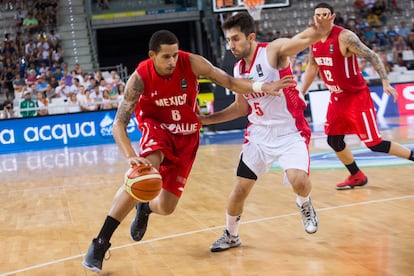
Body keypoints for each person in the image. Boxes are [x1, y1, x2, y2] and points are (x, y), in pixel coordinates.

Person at [82, 29, 287, 273]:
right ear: (152, 55)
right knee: (143, 172)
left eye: (175, 55)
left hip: (187, 136)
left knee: (167, 207)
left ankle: (145, 207)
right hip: (157, 129)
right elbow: (118, 124)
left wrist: (262, 85)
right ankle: (100, 243)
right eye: (166, 57)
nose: (172, 61)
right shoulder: (139, 77)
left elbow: (231, 83)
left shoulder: (193, 63)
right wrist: (130, 157)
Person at [197, 11, 333, 253]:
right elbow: (241, 108)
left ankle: (304, 203)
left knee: (299, 181)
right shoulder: (238, 69)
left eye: (236, 39)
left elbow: (298, 41)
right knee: (239, 190)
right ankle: (231, 235)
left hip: (289, 132)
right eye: (228, 40)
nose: (231, 45)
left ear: (251, 37)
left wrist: (318, 31)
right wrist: (208, 120)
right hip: (258, 135)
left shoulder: (273, 52)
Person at [301, 2, 414, 190]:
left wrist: (385, 81)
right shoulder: (313, 39)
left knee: (375, 143)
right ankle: (357, 176)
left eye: (324, 14)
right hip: (336, 98)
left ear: (332, 17)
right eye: (317, 15)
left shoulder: (345, 37)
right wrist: (301, 92)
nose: (320, 18)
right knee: (334, 140)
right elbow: (313, 66)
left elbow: (373, 56)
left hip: (356, 98)